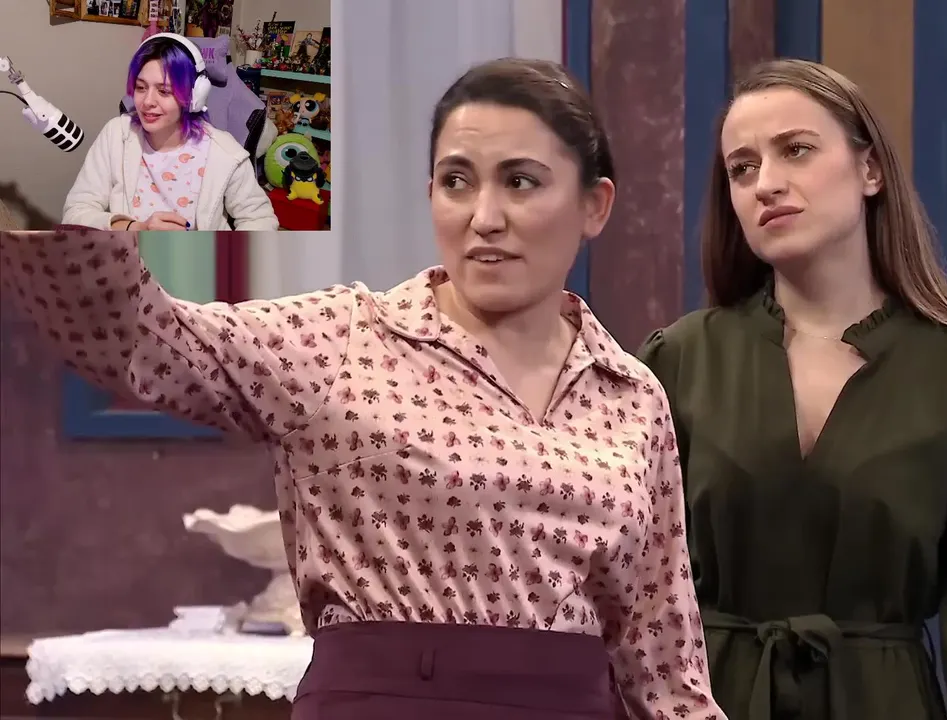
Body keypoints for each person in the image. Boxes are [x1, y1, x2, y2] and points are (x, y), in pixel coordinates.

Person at [3, 58, 723, 720]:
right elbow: (141, 339)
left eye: (521, 182)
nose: (484, 217)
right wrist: (48, 176)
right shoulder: (341, 339)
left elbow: (664, 664)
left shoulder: (631, 395)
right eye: (457, 181)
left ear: (595, 205)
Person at [637, 58, 947, 720]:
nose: (766, 184)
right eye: (742, 168)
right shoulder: (679, 361)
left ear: (871, 170)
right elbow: (628, 586)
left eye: (796, 150)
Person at [62, 33, 277, 231]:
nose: (147, 102)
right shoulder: (116, 135)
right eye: (141, 87)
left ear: (194, 96)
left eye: (164, 91)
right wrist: (135, 228)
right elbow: (76, 212)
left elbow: (261, 221)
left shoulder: (224, 152)